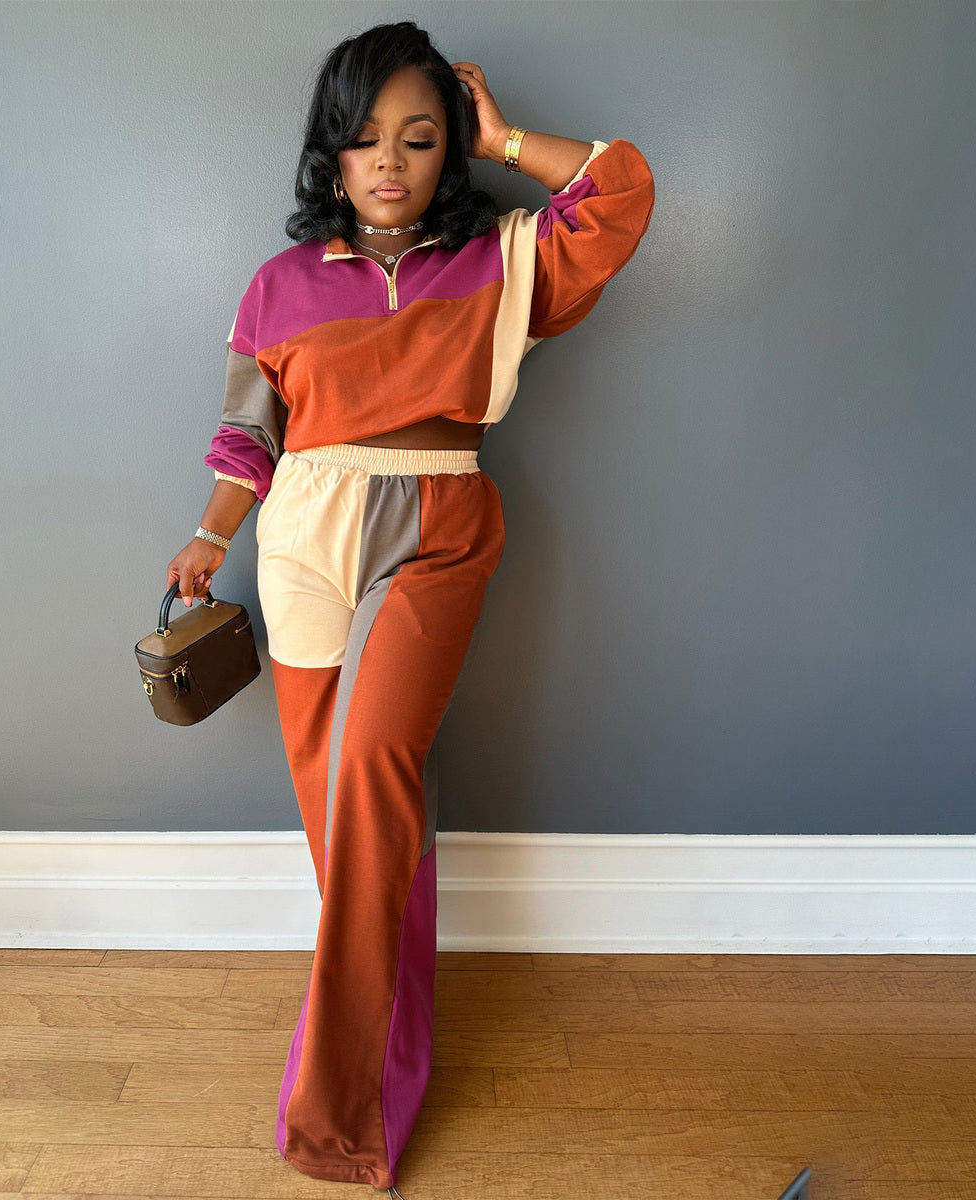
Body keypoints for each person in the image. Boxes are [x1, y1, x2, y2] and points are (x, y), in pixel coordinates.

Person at [166, 20, 655, 1197]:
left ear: (450, 151)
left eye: (421, 137)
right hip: (300, 541)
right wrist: (211, 537)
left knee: (373, 765)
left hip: (436, 524)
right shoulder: (278, 284)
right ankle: (391, 1044)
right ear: (330, 151)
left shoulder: (503, 259)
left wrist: (506, 140)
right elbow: (248, 435)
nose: (389, 160)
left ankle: (341, 1108)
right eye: (365, 136)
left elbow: (624, 193)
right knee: (346, 823)